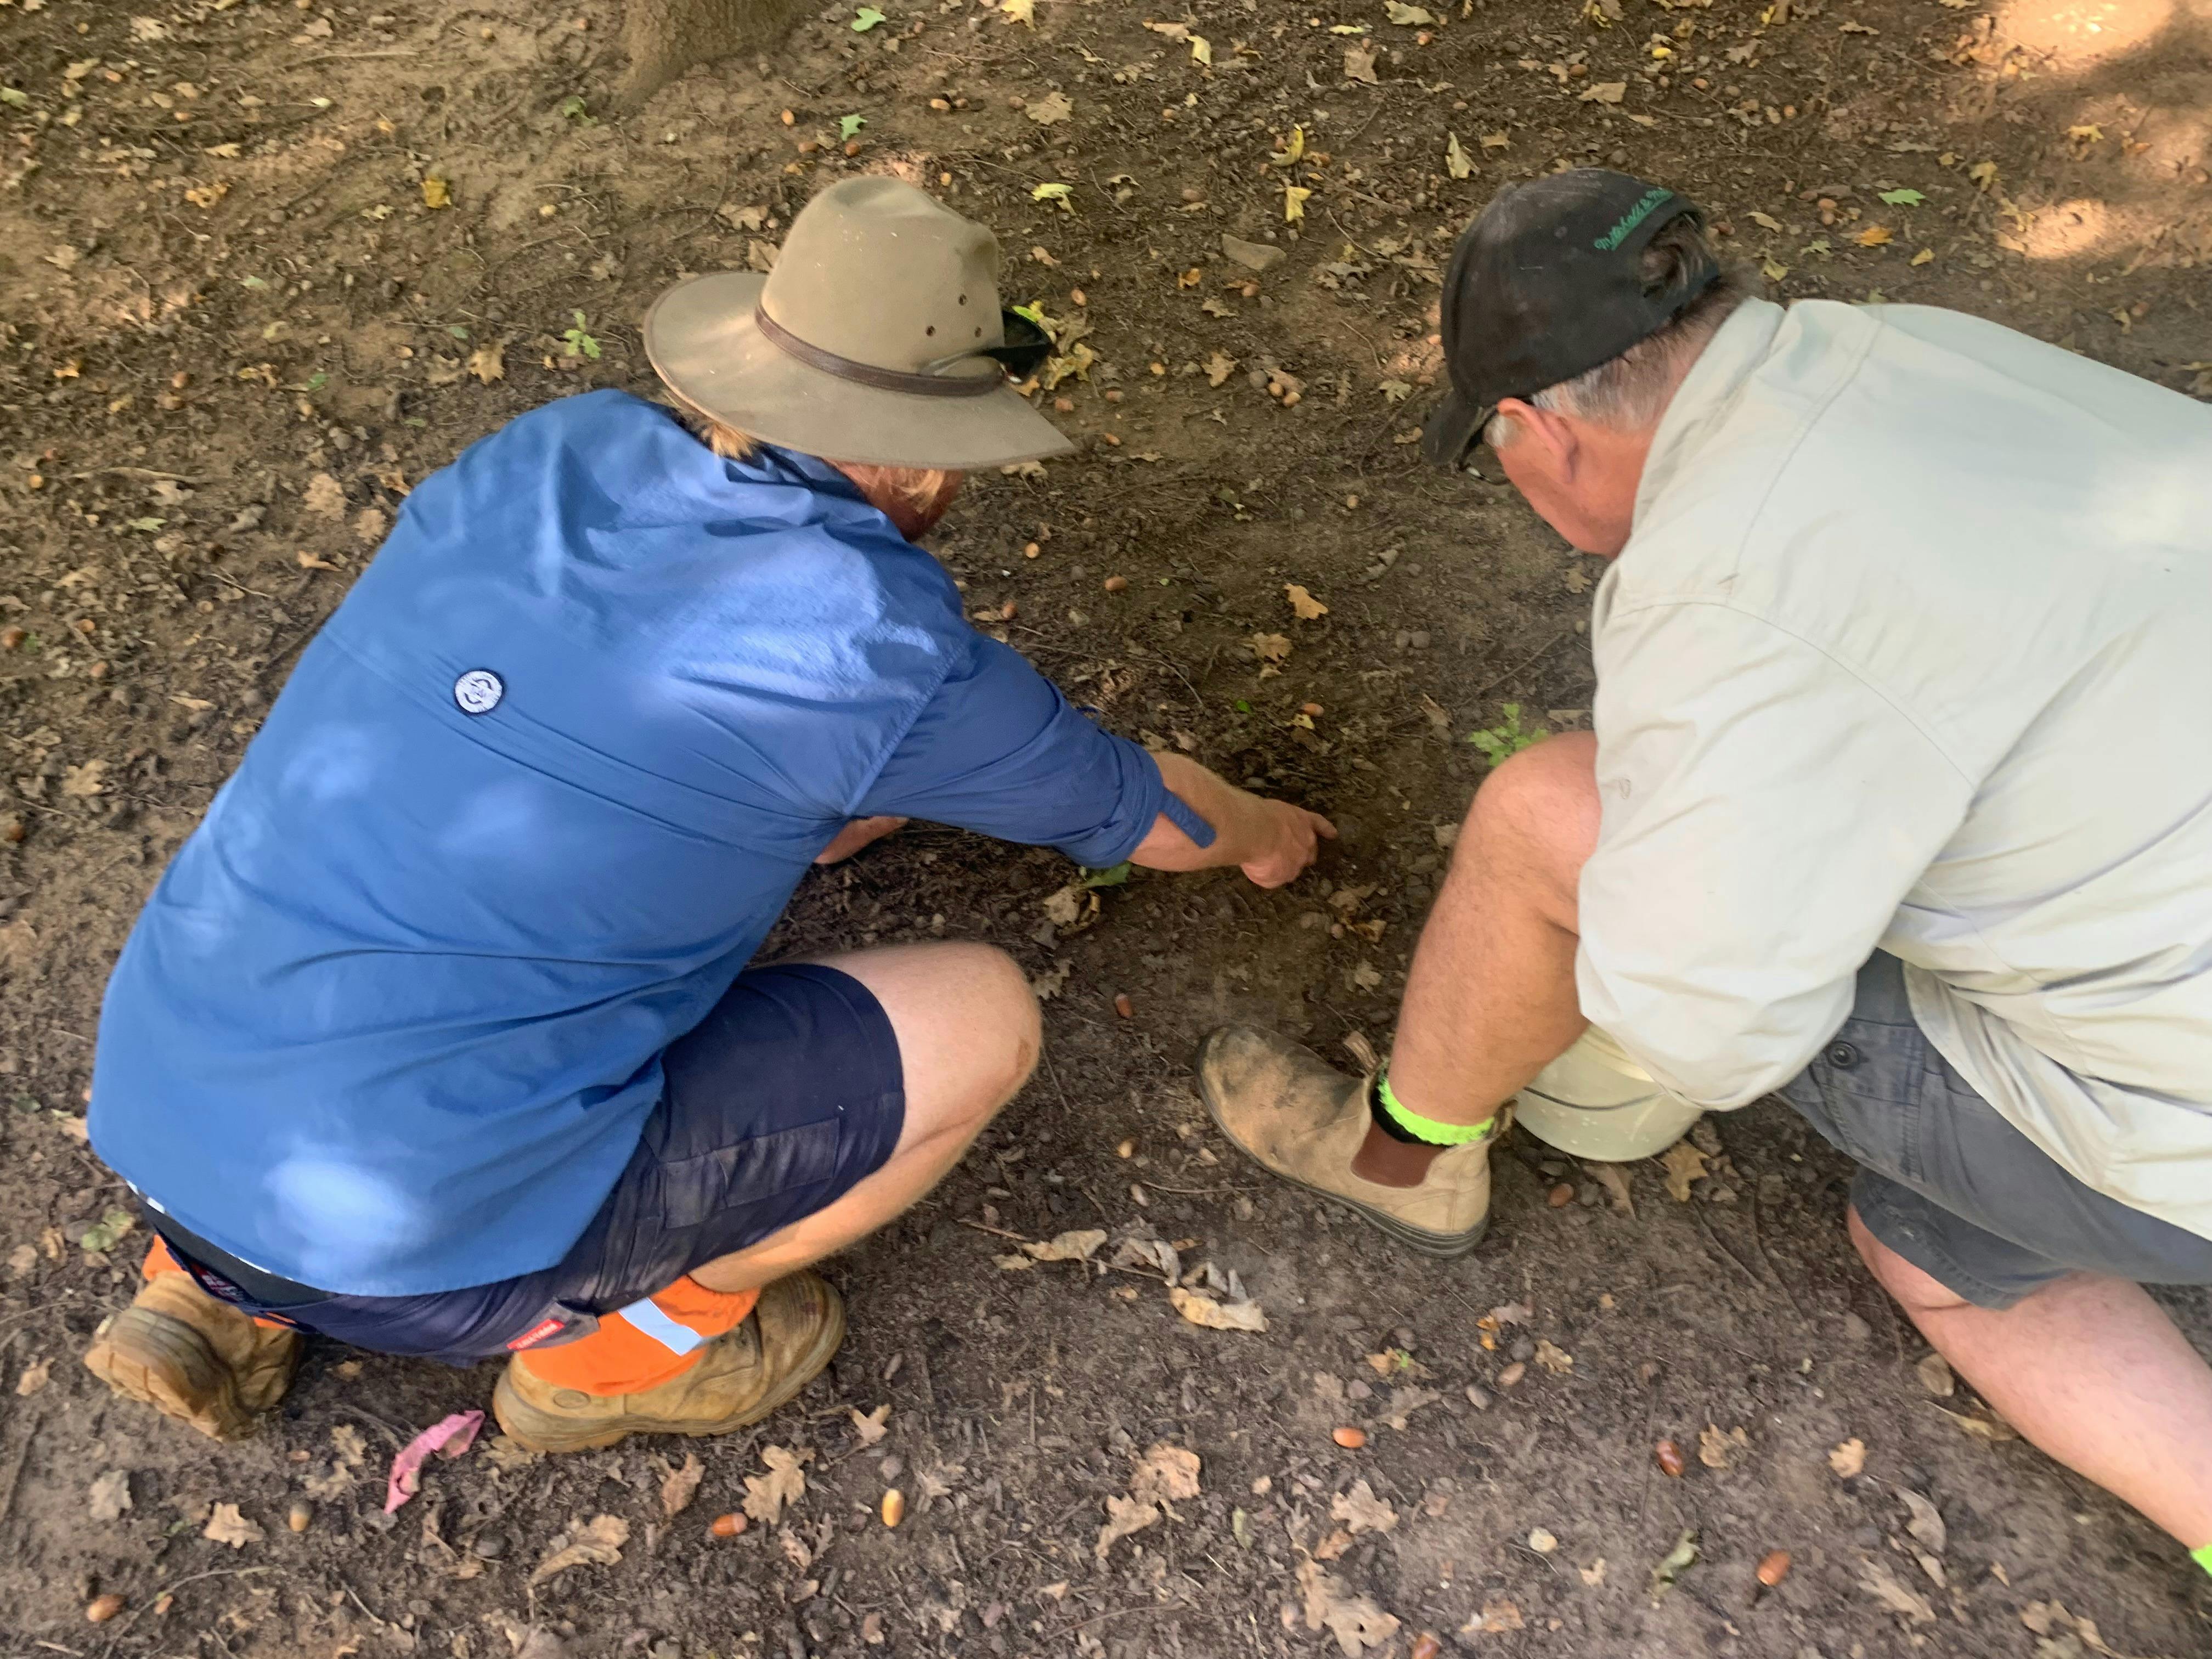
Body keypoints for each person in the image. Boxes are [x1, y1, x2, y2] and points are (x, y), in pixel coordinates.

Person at [83, 176, 1333, 1454]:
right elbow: (1155, 819)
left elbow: (588, 738)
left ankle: (206, 1292)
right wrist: (1267, 831)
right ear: (921, 455)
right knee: (984, 1021)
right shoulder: (878, 646)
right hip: (417, 1247)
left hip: (158, 1105)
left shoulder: (550, 452)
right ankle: (621, 1360)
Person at [1198, 170, 2212, 1573]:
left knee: (1550, 813)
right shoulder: (1913, 344)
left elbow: (1709, 1029)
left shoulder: (1725, 583)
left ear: (1532, 430)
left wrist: (1620, 947)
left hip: (2186, 1119)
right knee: (1934, 1243)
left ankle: (1404, 1155)